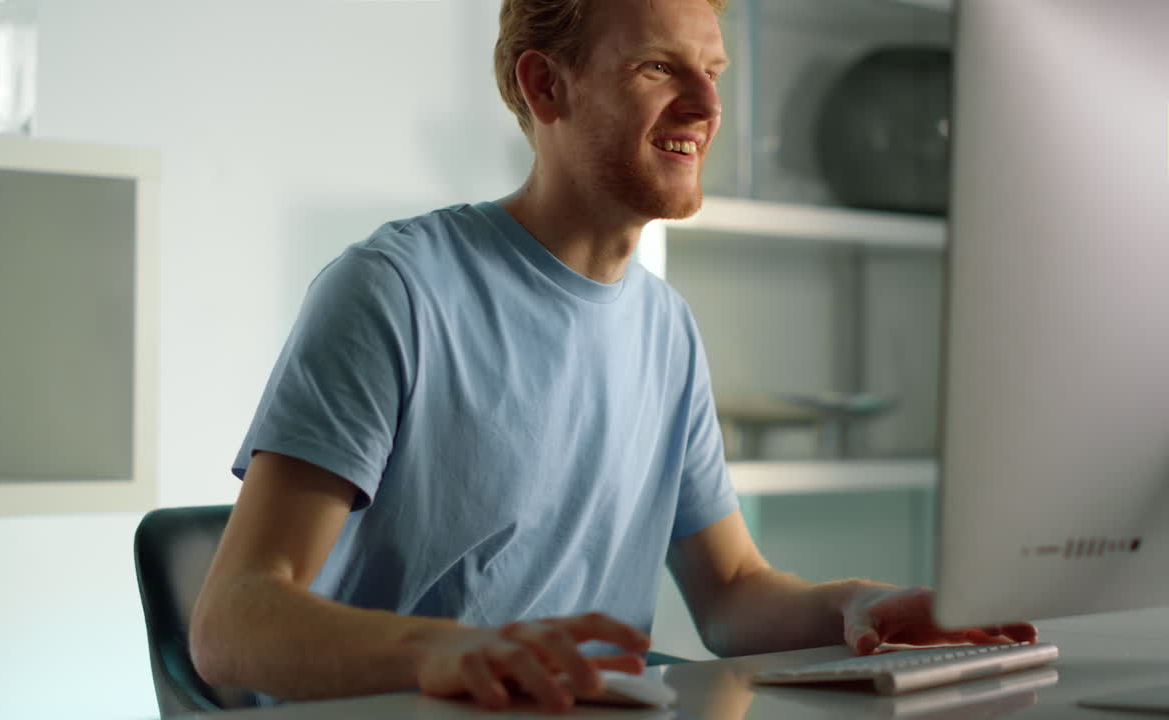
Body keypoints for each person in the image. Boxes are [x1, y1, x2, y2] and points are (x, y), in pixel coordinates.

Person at [190, 0, 1035, 712]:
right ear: (545, 85)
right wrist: (446, 653)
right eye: (660, 70)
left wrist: (864, 604)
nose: (706, 106)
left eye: (714, 71)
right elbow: (230, 625)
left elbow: (732, 591)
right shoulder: (394, 290)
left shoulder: (666, 327)